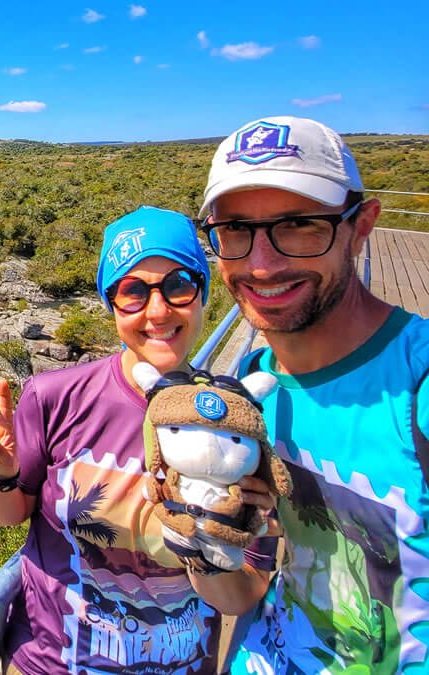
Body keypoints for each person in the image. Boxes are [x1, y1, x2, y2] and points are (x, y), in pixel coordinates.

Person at [0, 206, 278, 674]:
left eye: (177, 285)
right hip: (50, 663)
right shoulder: (55, 396)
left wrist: (205, 546)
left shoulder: (237, 425)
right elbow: (10, 517)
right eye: (132, 292)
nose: (157, 311)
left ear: (202, 294)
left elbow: (242, 596)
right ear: (112, 304)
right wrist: (1, 476)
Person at [198, 116, 429, 673]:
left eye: (300, 224)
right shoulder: (252, 390)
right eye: (235, 230)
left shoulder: (415, 386)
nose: (261, 263)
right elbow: (238, 594)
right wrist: (202, 541)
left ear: (361, 224)